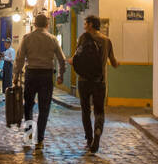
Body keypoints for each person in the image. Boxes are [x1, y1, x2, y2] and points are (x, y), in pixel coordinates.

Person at [14, 14, 67, 150]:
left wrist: (16, 76)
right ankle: (40, 140)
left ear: (34, 24)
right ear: (47, 24)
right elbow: (62, 59)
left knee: (28, 106)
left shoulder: (27, 38)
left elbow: (20, 59)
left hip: (31, 74)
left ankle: (28, 136)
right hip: (46, 75)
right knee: (44, 108)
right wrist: (61, 74)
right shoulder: (52, 39)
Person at [72, 15, 117, 153]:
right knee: (99, 111)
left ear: (91, 24)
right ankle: (98, 130)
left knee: (85, 111)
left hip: (83, 81)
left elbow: (76, 57)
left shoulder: (83, 38)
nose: (84, 25)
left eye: (85, 23)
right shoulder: (106, 40)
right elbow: (113, 62)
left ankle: (89, 139)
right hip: (99, 81)